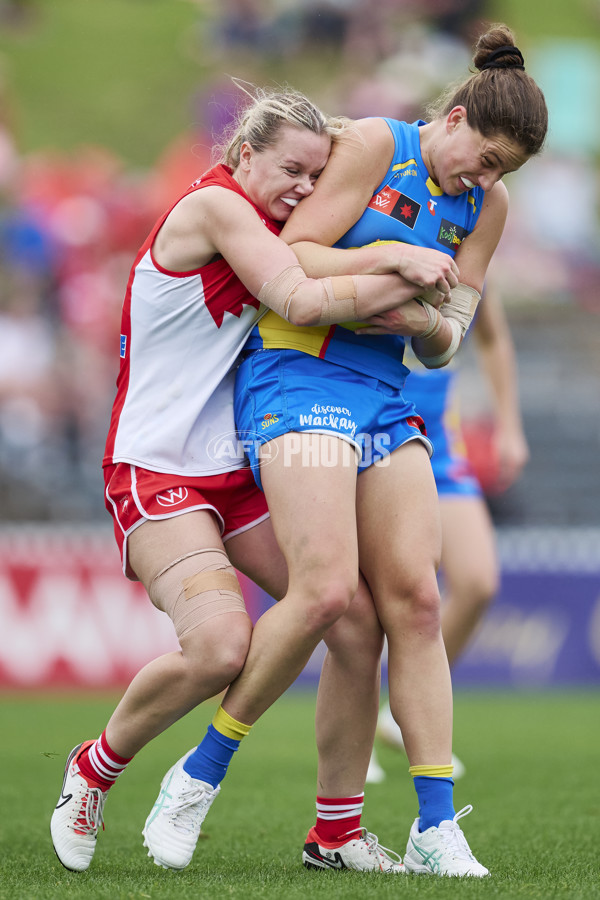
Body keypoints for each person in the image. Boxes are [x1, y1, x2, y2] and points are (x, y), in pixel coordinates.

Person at [149, 24, 547, 878]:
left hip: (384, 392)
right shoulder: (371, 143)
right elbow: (288, 259)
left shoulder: (490, 209)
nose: (485, 179)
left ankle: (432, 825)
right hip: (296, 373)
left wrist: (414, 322)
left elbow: (451, 339)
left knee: (418, 602)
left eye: (502, 170)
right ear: (456, 115)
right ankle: (198, 774)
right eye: (485, 156)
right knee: (327, 591)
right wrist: (397, 258)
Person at [49, 85, 456, 874]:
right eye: (291, 171)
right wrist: (405, 264)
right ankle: (95, 769)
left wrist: (416, 305)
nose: (304, 190)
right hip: (155, 465)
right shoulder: (218, 209)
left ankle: (335, 835)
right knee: (218, 649)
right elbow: (299, 295)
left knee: (353, 620)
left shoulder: (282, 225)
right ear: (243, 156)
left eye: (316, 176)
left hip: (232, 470)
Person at [369, 280, 530, 783]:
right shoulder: (392, 227)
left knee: (478, 580)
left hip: (441, 440)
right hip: (379, 428)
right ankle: (354, 743)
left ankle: (398, 714)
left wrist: (509, 425)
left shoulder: (473, 251)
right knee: (372, 604)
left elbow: (493, 337)